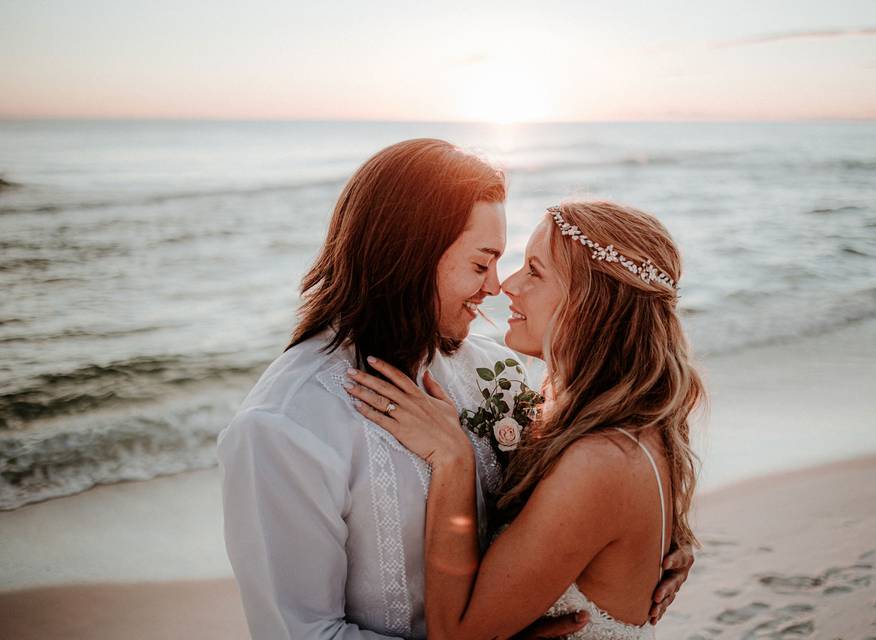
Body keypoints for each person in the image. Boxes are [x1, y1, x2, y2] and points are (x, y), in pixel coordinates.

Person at [217, 141, 693, 639]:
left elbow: (580, 504)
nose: (496, 286)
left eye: (513, 265)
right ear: (410, 257)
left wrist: (645, 547)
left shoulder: (497, 371)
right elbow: (300, 634)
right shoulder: (284, 428)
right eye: (480, 263)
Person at [346, 200, 703, 639]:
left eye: (534, 270)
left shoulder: (602, 460)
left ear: (592, 302)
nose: (508, 285)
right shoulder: (624, 423)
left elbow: (456, 636)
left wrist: (453, 458)